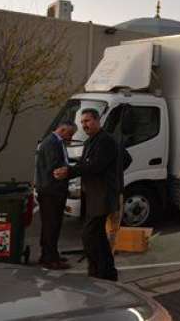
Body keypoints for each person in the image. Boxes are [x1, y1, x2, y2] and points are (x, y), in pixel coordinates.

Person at [54, 108, 120, 281]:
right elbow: (89, 164)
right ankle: (106, 273)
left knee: (89, 234)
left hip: (102, 195)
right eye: (82, 122)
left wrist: (69, 172)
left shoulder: (105, 141)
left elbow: (95, 166)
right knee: (97, 236)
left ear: (98, 121)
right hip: (93, 195)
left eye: (88, 121)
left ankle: (97, 272)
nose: (84, 125)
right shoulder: (92, 140)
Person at [35, 121, 76, 270]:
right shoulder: (52, 143)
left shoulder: (53, 141)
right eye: (70, 134)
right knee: (51, 225)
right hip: (51, 191)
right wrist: (71, 170)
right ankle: (50, 259)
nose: (70, 138)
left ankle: (50, 254)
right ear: (63, 130)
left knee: (51, 225)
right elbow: (55, 167)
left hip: (50, 190)